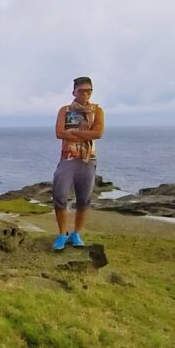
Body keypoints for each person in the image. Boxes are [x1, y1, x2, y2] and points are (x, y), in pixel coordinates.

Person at [52, 76, 105, 249]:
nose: (85, 94)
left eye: (89, 91)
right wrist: (85, 134)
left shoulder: (97, 111)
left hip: (87, 159)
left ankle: (76, 234)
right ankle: (62, 234)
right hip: (68, 157)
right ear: (74, 92)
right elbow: (60, 133)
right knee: (60, 195)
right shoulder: (65, 110)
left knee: (84, 199)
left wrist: (73, 133)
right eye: (81, 90)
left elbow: (98, 134)